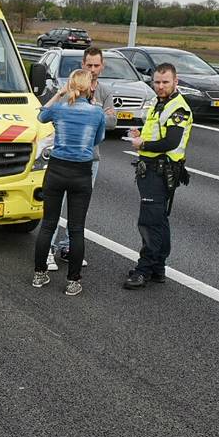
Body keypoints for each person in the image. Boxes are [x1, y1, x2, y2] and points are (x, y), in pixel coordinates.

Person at [31, 69, 107, 296]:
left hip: (56, 169)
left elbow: (41, 116)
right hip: (81, 172)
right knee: (76, 228)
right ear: (88, 87)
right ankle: (73, 281)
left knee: (48, 224)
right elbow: (98, 139)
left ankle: (39, 273)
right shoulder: (97, 113)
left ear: (71, 85)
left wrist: (59, 94)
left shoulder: (59, 109)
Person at [47, 47, 116, 271]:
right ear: (83, 65)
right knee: (54, 207)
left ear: (102, 66)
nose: (93, 69)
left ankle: (68, 248)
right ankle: (48, 248)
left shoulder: (105, 91)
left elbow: (112, 122)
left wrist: (94, 114)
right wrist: (96, 115)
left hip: (90, 160)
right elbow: (52, 114)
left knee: (78, 209)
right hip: (64, 157)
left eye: (97, 65)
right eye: (89, 65)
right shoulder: (71, 88)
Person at [124, 62, 192, 289]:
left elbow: (171, 141)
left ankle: (143, 270)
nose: (160, 86)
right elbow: (155, 132)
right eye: (157, 82)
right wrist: (139, 134)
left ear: (176, 81)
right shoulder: (158, 102)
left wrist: (143, 143)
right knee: (159, 220)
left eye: (165, 82)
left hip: (161, 171)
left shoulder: (179, 108)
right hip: (151, 168)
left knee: (149, 222)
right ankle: (158, 268)